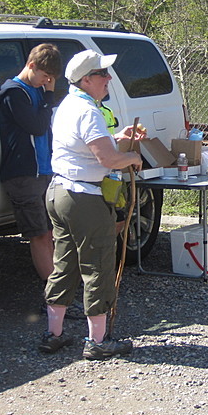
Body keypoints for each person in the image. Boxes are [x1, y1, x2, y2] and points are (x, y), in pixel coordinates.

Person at [40, 49, 142, 360]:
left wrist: (116, 136)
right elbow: (107, 159)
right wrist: (132, 157)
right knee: (98, 264)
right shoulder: (88, 111)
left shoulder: (70, 104)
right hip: (84, 197)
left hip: (59, 191)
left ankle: (53, 334)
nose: (108, 78)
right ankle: (97, 340)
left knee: (64, 263)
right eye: (102, 74)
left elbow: (90, 144)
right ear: (87, 80)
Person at [0, 43, 62, 282]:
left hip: (44, 171)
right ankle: (55, 294)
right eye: (44, 76)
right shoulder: (14, 92)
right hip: (24, 173)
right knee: (40, 235)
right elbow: (36, 126)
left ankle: (59, 285)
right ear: (31, 65)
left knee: (53, 232)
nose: (46, 81)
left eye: (51, 79)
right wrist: (48, 97)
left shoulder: (37, 90)